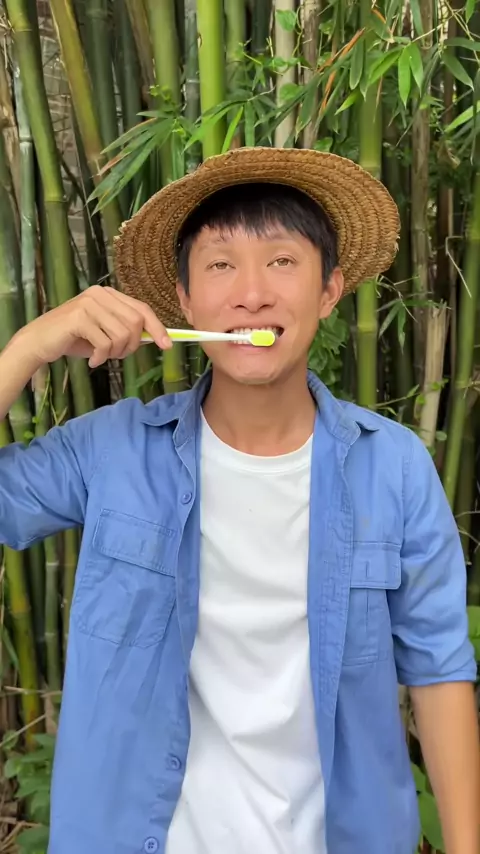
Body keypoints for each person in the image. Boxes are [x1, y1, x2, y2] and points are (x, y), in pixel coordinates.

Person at [0, 147, 478, 854]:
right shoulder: (112, 451)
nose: (252, 293)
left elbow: (439, 671)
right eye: (221, 265)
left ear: (330, 290)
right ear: (185, 299)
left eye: (281, 261)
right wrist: (27, 348)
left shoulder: (395, 468)